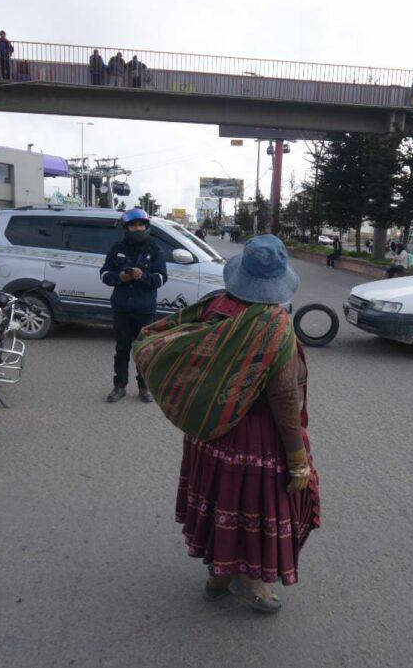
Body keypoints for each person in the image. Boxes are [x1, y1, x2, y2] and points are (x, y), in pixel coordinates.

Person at [136, 235, 319, 613]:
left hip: (210, 431)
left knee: (221, 502)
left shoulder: (216, 305)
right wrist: (298, 458)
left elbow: (173, 340)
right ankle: (250, 580)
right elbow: (284, 398)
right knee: (253, 508)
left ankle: (218, 577)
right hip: (254, 438)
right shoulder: (274, 325)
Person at [100, 208, 167, 403]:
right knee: (122, 350)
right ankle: (119, 387)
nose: (137, 228)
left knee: (143, 351)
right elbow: (104, 274)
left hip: (145, 311)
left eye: (140, 225)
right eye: (133, 225)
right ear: (127, 227)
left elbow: (161, 278)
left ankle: (144, 388)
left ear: (146, 226)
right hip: (121, 309)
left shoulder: (155, 250)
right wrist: (120, 276)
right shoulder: (117, 248)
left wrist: (143, 276)